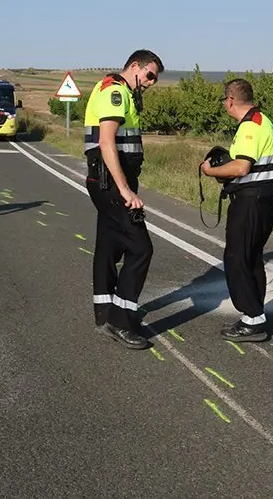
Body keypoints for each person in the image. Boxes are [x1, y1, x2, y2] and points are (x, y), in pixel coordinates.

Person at [84, 49, 163, 350]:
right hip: (111, 183)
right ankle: (121, 319)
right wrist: (125, 190)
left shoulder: (123, 93)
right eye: (150, 75)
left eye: (154, 79)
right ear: (134, 66)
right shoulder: (115, 92)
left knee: (108, 245)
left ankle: (105, 311)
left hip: (110, 182)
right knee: (141, 248)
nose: (151, 82)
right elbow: (106, 142)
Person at [200, 78, 273, 342]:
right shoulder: (261, 120)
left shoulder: (250, 126)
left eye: (224, 100)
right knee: (251, 258)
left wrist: (211, 170)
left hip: (250, 201)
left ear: (231, 100)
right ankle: (255, 314)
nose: (225, 104)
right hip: (261, 200)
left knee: (237, 258)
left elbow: (241, 168)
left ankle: (252, 320)